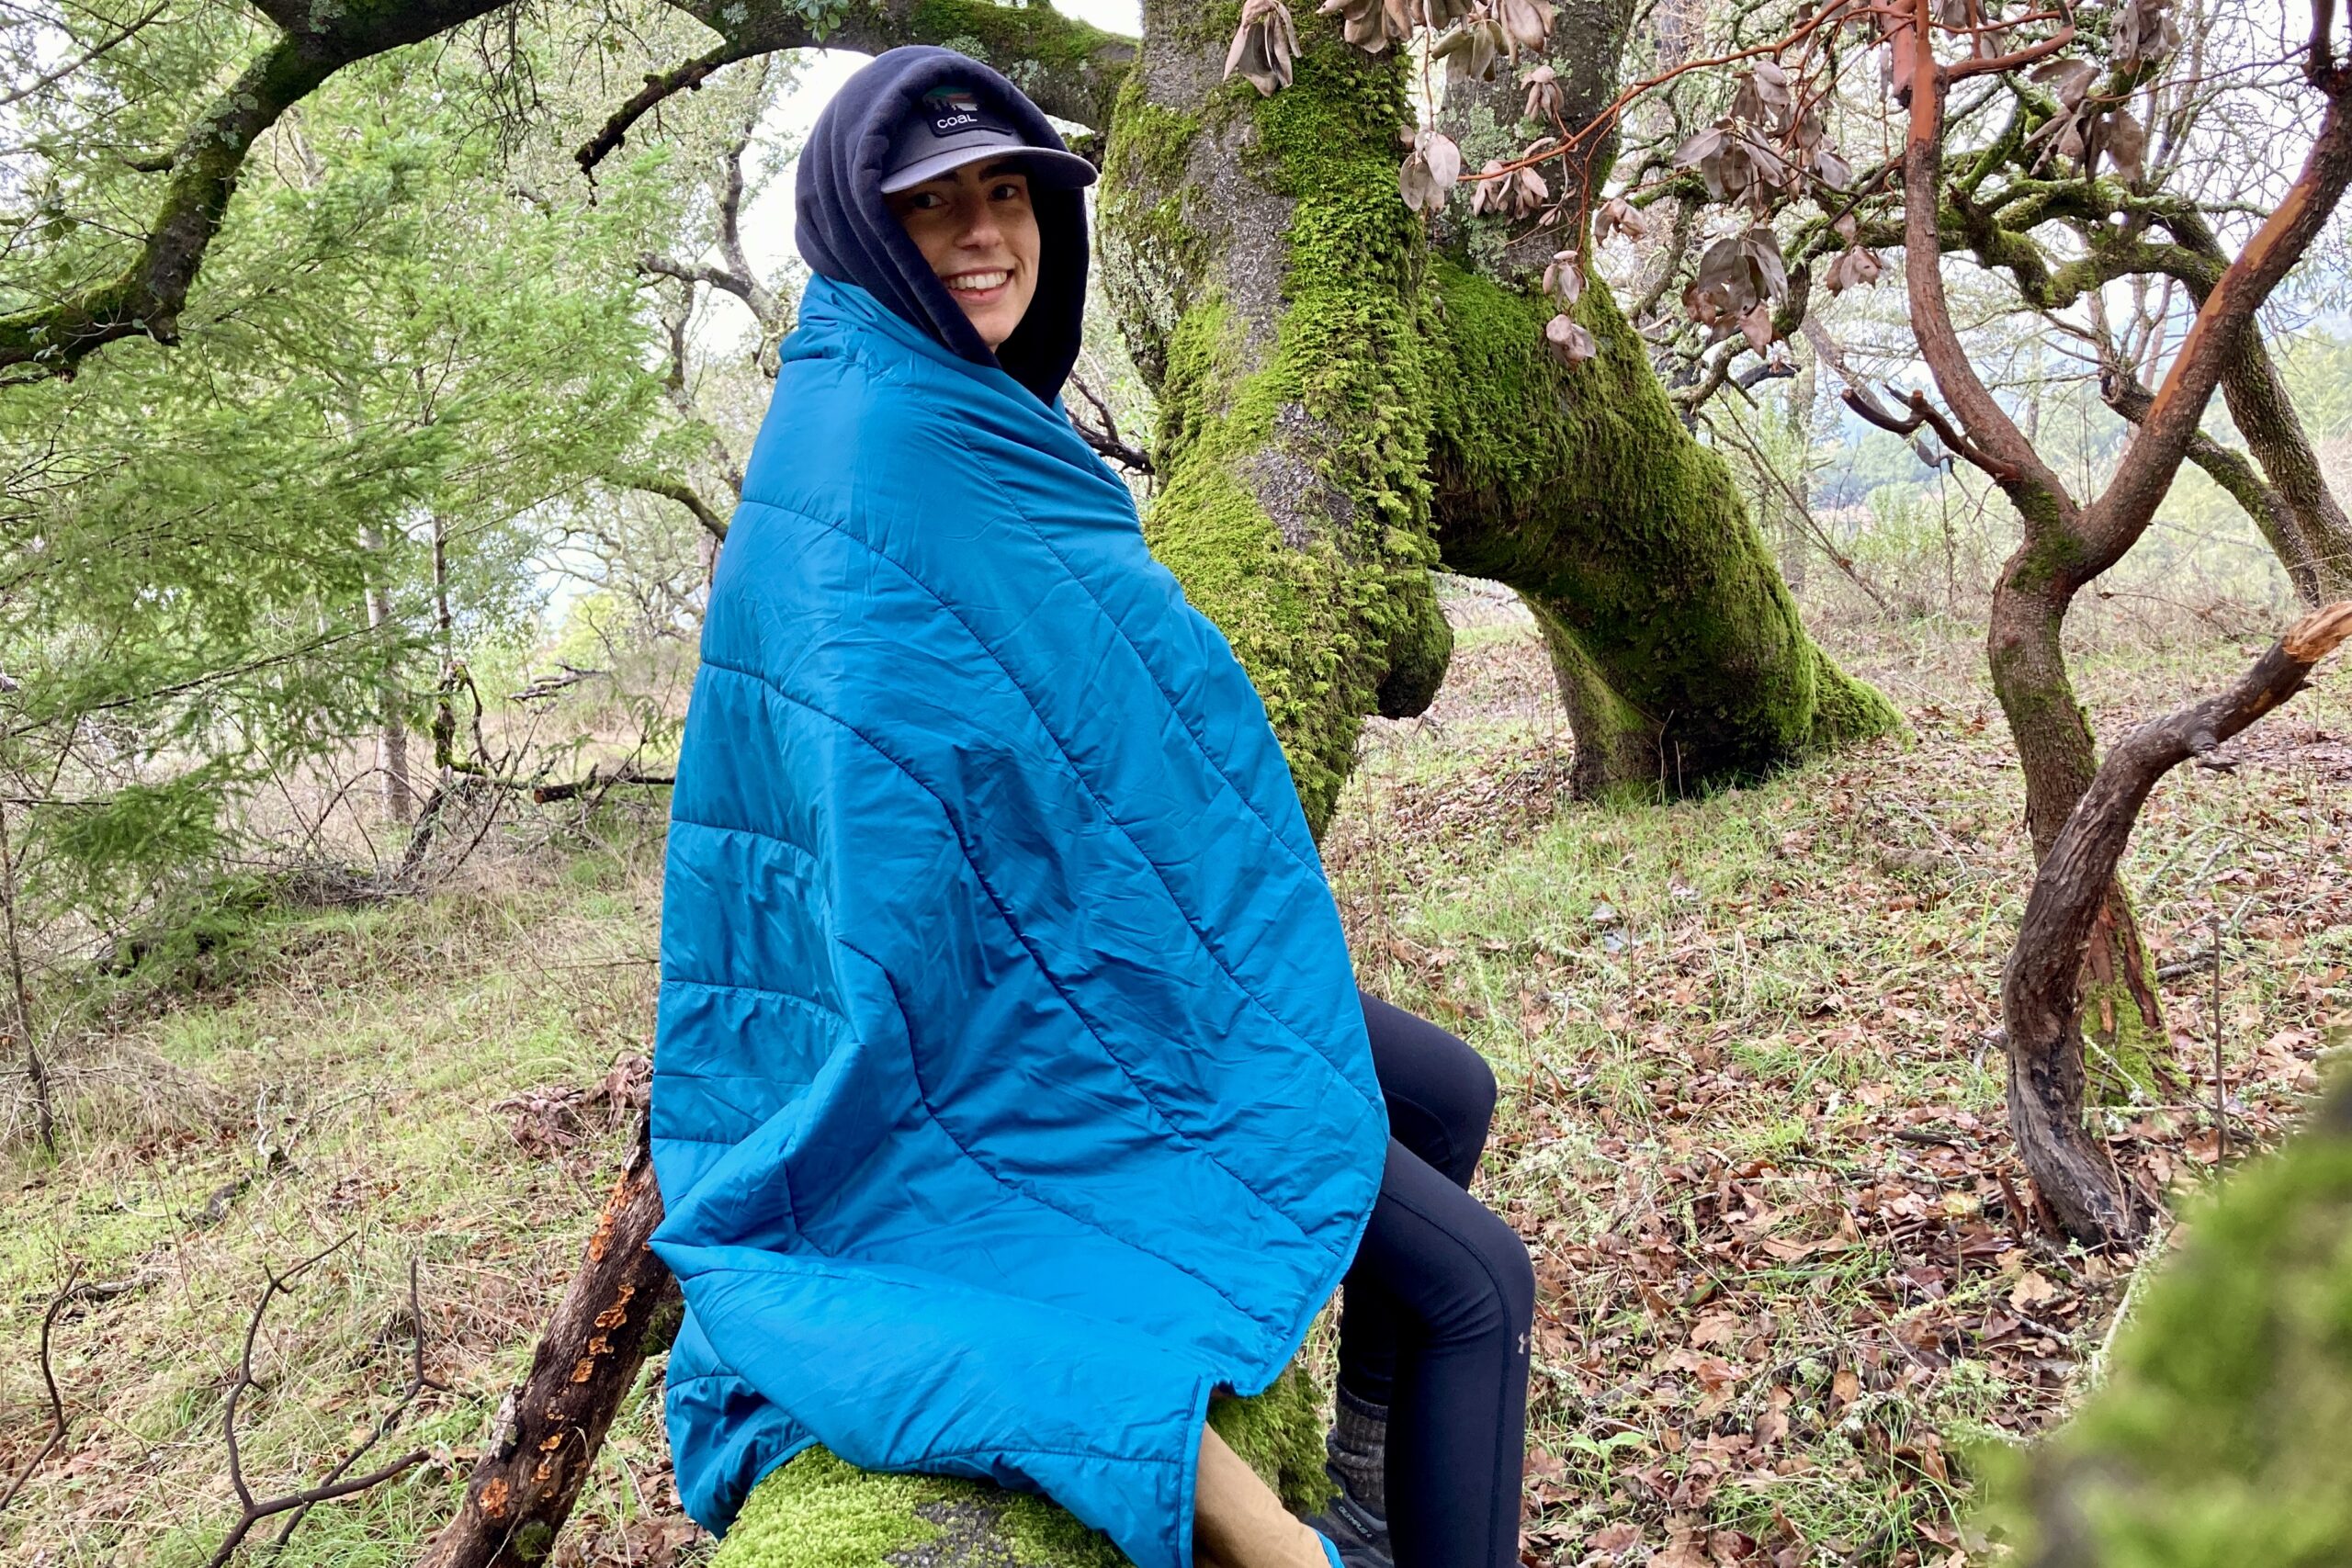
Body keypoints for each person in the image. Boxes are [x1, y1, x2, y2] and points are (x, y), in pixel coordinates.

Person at [645, 46, 1533, 1568]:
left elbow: (1059, 721)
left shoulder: (946, 404)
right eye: (936, 206)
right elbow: (902, 815)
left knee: (1443, 1093)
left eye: (1011, 192)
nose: (986, 232)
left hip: (1070, 953)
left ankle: (1374, 1489)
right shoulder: (880, 442)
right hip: (974, 1026)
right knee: (1474, 1284)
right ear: (867, 229)